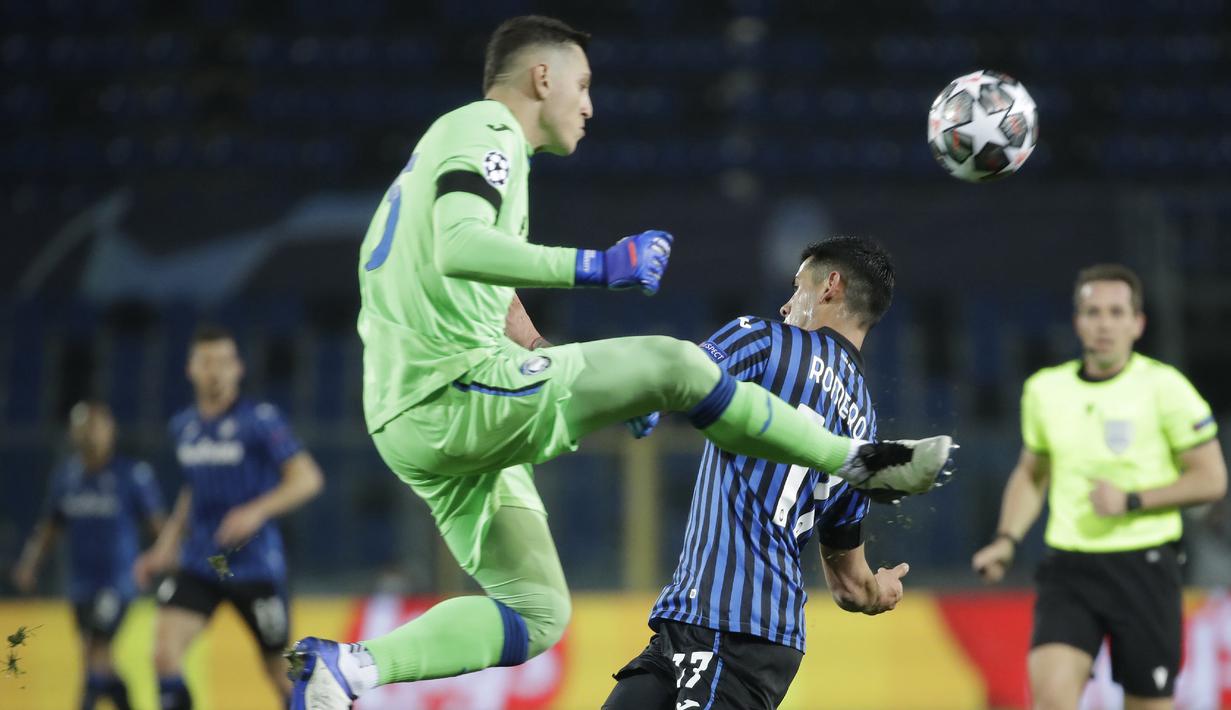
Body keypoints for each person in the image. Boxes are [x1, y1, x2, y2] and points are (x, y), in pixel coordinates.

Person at [288, 16, 953, 709]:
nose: (589, 105)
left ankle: (351, 669)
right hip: (455, 389)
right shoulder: (485, 131)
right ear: (541, 77)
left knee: (537, 612)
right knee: (675, 364)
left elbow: (478, 275)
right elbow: (460, 247)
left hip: (426, 419)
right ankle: (850, 457)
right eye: (581, 84)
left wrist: (552, 360)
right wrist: (601, 267)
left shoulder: (464, 155)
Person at [602, 236, 915, 709]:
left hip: (732, 625)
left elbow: (676, 374)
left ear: (830, 285)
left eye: (796, 287)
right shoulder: (864, 432)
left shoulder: (765, 339)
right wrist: (880, 591)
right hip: (705, 627)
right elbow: (849, 584)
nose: (787, 304)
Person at [971, 263, 1226, 710]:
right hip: (1070, 568)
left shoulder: (1166, 387)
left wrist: (1132, 500)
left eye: (1115, 312)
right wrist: (1006, 540)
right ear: (1078, 322)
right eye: (1092, 312)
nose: (1104, 323)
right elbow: (1033, 472)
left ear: (1137, 323)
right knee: (1050, 699)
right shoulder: (1045, 390)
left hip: (1145, 567)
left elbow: (1212, 479)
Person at [133, 324, 324, 710]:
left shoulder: (261, 421)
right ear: (190, 369)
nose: (216, 371)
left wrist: (257, 510)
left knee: (280, 672)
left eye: (224, 361)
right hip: (202, 562)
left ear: (238, 368)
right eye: (207, 362)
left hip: (255, 566)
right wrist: (164, 547)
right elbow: (192, 490)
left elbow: (308, 478)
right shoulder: (183, 426)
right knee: (163, 652)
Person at [11, 401, 164, 710]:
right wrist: (30, 563)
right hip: (80, 585)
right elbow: (50, 526)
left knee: (95, 649)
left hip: (118, 582)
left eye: (96, 426)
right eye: (83, 427)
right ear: (72, 433)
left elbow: (159, 525)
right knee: (97, 660)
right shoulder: (66, 477)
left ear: (111, 431)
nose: (89, 434)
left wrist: (164, 559)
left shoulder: (132, 474)